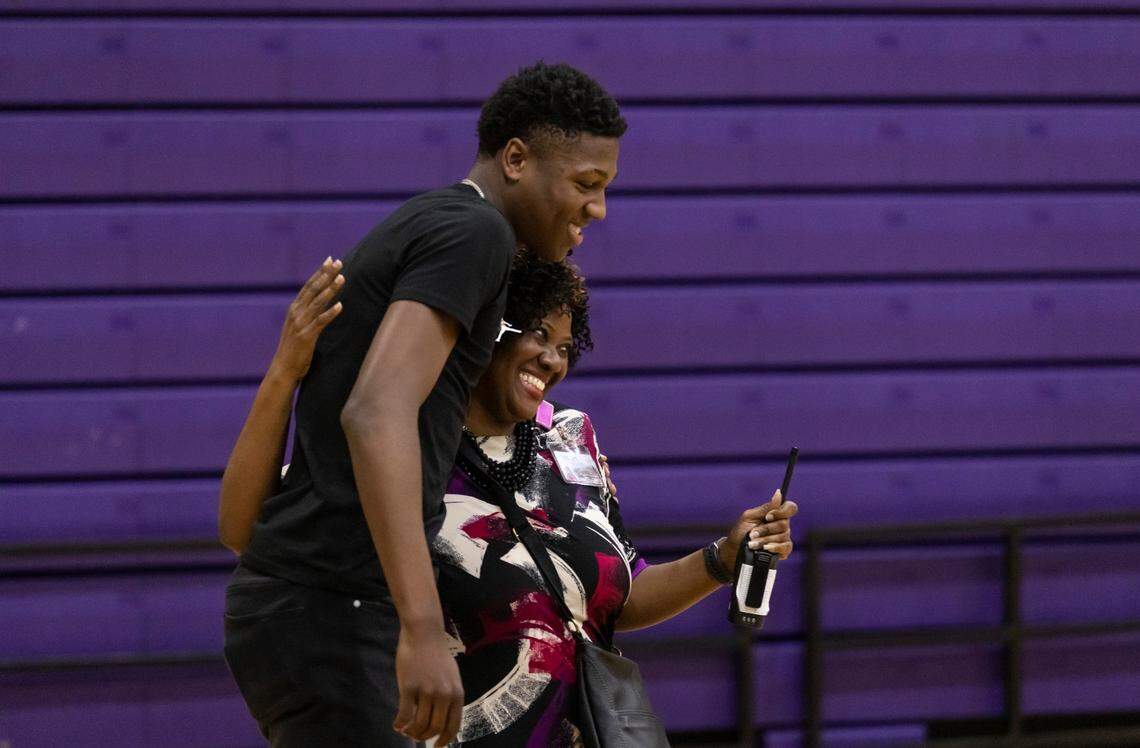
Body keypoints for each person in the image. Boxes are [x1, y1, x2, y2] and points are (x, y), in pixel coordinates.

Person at [220, 252, 799, 745]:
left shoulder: (571, 438)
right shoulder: (395, 442)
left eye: (567, 345)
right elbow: (244, 528)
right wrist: (283, 374)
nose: (553, 359)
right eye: (537, 334)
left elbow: (612, 597)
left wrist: (722, 557)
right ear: (481, 331)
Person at [221, 62, 626, 747]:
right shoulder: (478, 235)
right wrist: (419, 624)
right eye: (586, 184)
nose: (598, 208)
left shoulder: (436, 224)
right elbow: (376, 413)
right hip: (334, 609)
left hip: (302, 605)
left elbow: (245, 524)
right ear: (517, 159)